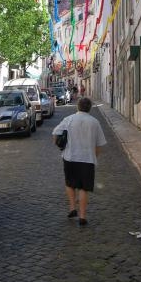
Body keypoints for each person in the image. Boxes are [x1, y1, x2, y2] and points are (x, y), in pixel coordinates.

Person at [52, 96, 106, 226]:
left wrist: (60, 146)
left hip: (70, 157)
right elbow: (99, 145)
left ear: (78, 106)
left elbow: (55, 133)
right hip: (87, 159)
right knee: (83, 188)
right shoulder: (94, 122)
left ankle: (72, 208)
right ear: (90, 108)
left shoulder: (69, 119)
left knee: (70, 184)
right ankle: (82, 216)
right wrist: (94, 157)